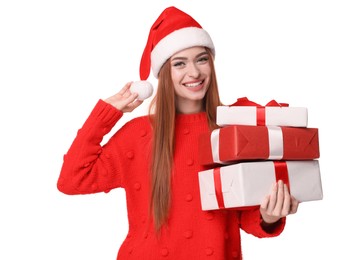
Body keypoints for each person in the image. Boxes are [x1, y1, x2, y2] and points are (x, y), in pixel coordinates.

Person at [57, 6, 299, 260]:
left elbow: (243, 218)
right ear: (164, 72)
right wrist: (107, 112)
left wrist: (269, 216)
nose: (194, 72)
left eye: (201, 59)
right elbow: (72, 180)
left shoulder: (236, 130)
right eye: (179, 63)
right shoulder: (137, 135)